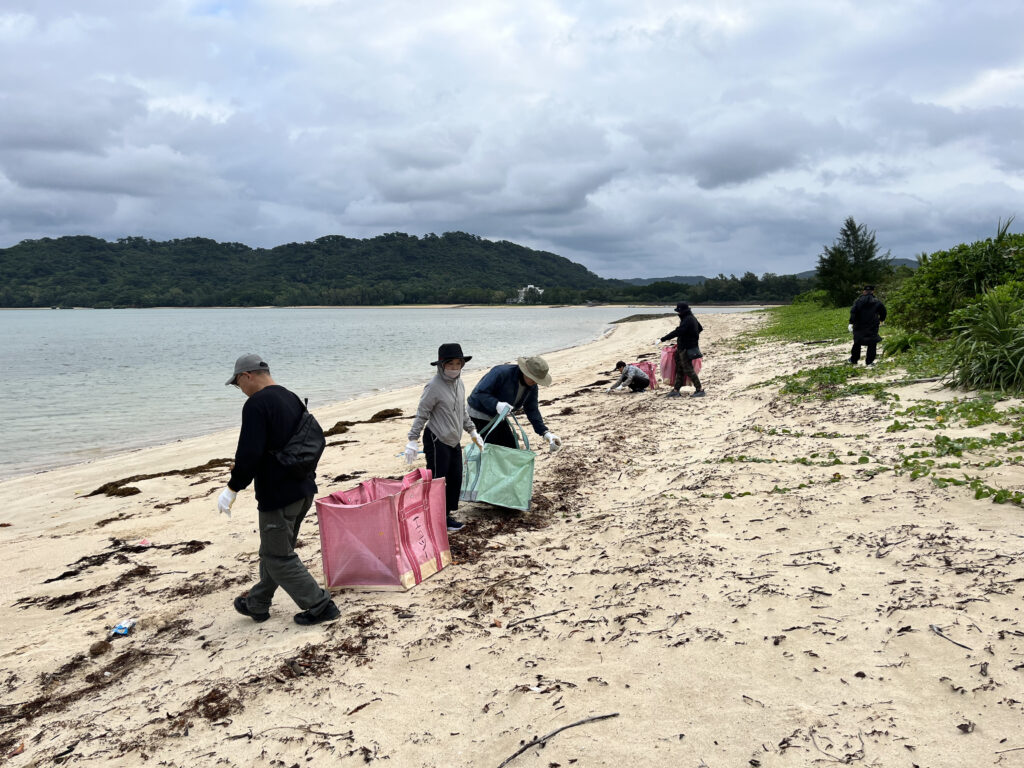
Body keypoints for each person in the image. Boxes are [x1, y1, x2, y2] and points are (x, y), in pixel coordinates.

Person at [218, 353, 340, 626]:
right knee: (275, 550)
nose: (241, 391)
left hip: (278, 494)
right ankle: (257, 603)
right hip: (303, 488)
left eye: (238, 385)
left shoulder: (256, 404)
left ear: (246, 376)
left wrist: (233, 488)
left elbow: (249, 453)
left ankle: (321, 606)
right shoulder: (290, 397)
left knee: (277, 555)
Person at [404, 343, 485, 533]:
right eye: (451, 365)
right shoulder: (433, 387)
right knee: (438, 480)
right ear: (441, 365)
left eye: (458, 364)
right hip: (436, 438)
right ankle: (437, 518)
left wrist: (473, 432)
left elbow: (462, 412)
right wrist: (412, 440)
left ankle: (445, 514)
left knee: (456, 478)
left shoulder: (460, 384)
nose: (455, 368)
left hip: (454, 439)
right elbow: (422, 413)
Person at [467, 355, 562, 453]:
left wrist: (545, 432)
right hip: (478, 413)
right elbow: (479, 393)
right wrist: (496, 404)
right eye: (533, 379)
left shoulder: (532, 386)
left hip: (499, 416)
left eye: (538, 380)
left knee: (511, 450)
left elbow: (532, 409)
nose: (535, 382)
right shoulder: (500, 373)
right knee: (492, 452)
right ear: (525, 371)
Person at [659, 302, 705, 397]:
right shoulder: (690, 318)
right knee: (679, 368)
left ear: (683, 311)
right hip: (683, 347)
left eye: (679, 311)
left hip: (686, 348)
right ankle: (676, 390)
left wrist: (662, 339)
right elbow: (699, 328)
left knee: (688, 369)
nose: (678, 313)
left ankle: (699, 389)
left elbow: (679, 331)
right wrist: (691, 336)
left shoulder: (688, 320)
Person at [848, 285, 888, 366]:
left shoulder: (858, 301)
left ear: (864, 291)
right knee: (872, 343)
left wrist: (851, 323)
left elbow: (853, 312)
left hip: (859, 325)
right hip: (872, 325)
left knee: (857, 342)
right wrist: (881, 320)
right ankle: (869, 362)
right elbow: (883, 312)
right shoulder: (877, 301)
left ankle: (854, 360)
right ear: (873, 291)